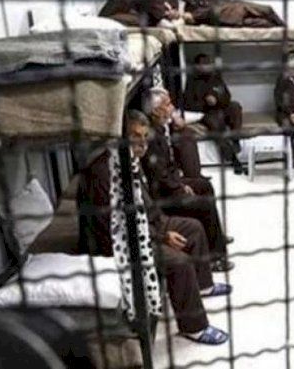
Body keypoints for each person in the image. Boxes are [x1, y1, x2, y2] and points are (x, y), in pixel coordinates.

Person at [78, 110, 231, 345]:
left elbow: (142, 205)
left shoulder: (128, 158)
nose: (142, 143)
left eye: (144, 136)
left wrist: (160, 225)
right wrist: (161, 236)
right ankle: (194, 327)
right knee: (179, 262)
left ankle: (203, 286)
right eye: (135, 136)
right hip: (120, 241)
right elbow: (115, 227)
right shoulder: (104, 173)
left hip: (147, 224)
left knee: (193, 227)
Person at [141, 87, 233, 272]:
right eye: (167, 105)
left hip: (171, 184)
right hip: (163, 194)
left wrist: (181, 183)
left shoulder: (160, 128)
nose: (172, 108)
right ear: (156, 110)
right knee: (203, 204)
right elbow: (160, 176)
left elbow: (168, 168)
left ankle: (215, 238)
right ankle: (214, 258)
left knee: (204, 186)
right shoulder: (150, 137)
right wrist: (180, 188)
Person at [183, 53, 245, 174]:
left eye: (208, 63)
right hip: (206, 113)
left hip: (221, 107)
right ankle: (233, 159)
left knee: (235, 106)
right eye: (203, 64)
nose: (207, 66)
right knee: (216, 125)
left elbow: (227, 95)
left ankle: (236, 138)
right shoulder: (192, 82)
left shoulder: (216, 77)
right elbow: (189, 104)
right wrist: (206, 102)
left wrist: (217, 99)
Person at [176, 0, 285, 27]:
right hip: (229, 21)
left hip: (236, 7)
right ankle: (282, 30)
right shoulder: (188, 8)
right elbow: (195, 22)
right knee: (264, 23)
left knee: (267, 9)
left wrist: (190, 16)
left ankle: (285, 28)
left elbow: (206, 9)